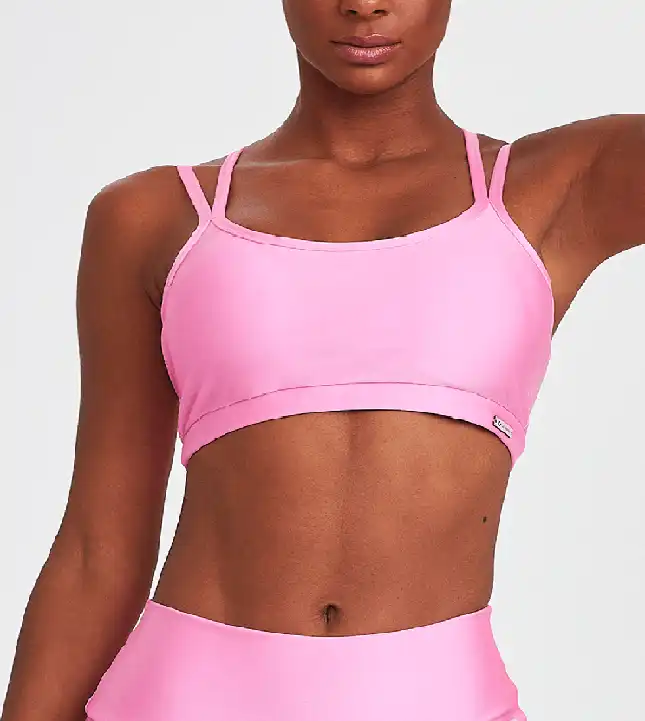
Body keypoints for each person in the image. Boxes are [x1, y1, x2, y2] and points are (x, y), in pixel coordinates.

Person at [2, 1, 643, 720]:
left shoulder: (556, 189)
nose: (364, 4)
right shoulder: (154, 217)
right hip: (180, 699)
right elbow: (97, 552)